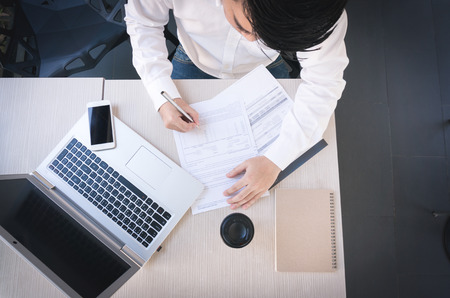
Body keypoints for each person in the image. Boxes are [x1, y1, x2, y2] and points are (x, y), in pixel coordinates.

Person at [125, 0, 349, 210]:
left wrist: (276, 160)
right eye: (245, 28)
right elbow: (143, 21)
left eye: (266, 39)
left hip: (265, 67)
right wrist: (160, 91)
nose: (252, 42)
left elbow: (324, 83)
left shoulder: (319, 9)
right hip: (194, 58)